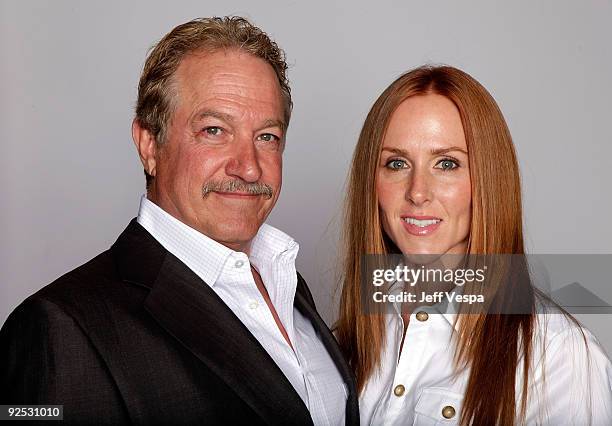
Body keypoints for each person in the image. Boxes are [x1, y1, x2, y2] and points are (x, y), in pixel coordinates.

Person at [0, 17, 358, 425]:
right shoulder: (59, 328)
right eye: (214, 130)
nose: (250, 168)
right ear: (149, 144)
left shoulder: (285, 285)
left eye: (267, 137)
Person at [334, 65, 612, 425]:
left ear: (488, 180)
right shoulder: (342, 342)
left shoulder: (560, 356)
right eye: (397, 163)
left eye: (446, 163)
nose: (418, 192)